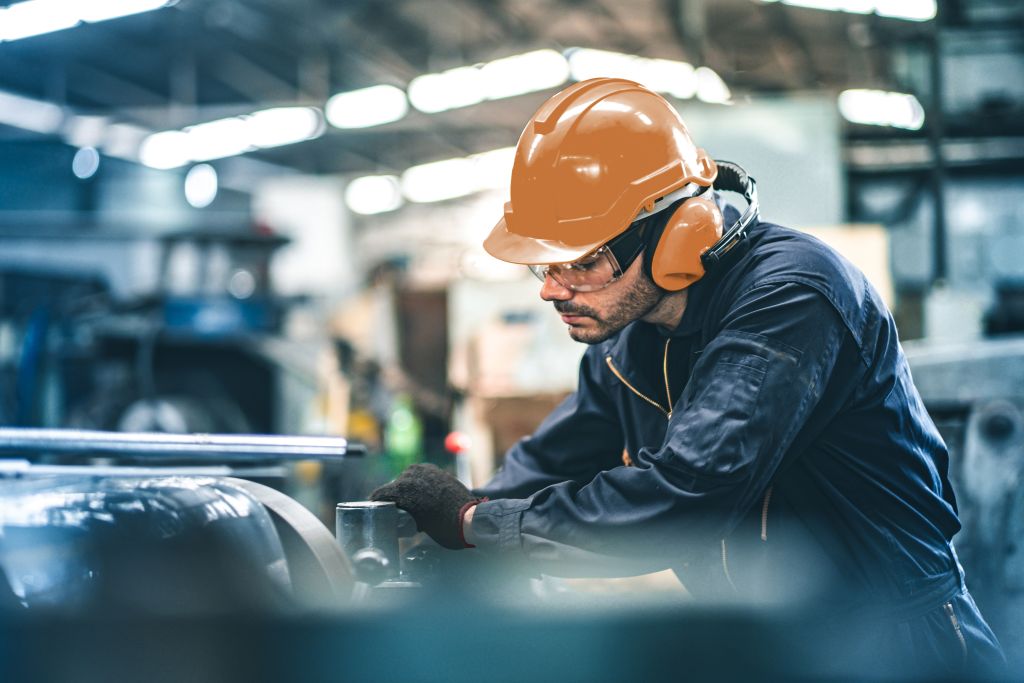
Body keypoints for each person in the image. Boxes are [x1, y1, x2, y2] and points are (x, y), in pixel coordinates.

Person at [371, 77, 1004, 674]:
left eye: (582, 262)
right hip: (763, 636)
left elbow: (686, 496)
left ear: (677, 233)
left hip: (896, 645)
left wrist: (474, 526)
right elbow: (554, 460)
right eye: (544, 266)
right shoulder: (628, 338)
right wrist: (463, 523)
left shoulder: (790, 298)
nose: (554, 291)